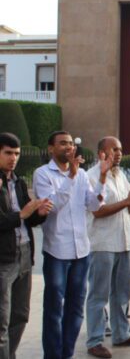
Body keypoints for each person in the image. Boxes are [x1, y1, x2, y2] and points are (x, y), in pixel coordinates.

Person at [33, 131, 112, 359]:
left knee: (76, 309)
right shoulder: (42, 174)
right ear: (51, 148)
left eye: (70, 143)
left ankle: (66, 354)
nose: (68, 147)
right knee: (54, 308)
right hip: (57, 251)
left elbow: (94, 206)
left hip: (81, 251)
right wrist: (70, 177)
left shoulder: (82, 175)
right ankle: (53, 355)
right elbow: (52, 206)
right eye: (62, 144)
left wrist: (102, 178)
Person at [85, 137, 130, 358]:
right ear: (101, 153)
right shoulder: (91, 176)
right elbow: (98, 211)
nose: (119, 153)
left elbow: (128, 209)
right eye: (114, 149)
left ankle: (121, 334)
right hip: (102, 243)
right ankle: (95, 340)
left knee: (122, 293)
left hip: (123, 241)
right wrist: (126, 201)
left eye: (121, 149)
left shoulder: (121, 175)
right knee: (99, 295)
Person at [0, 132, 51, 359]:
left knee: (21, 315)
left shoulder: (19, 182)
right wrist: (21, 214)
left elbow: (28, 219)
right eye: (8, 153)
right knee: (2, 320)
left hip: (24, 253)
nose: (13, 158)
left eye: (17, 154)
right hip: (3, 259)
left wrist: (39, 213)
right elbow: (13, 217)